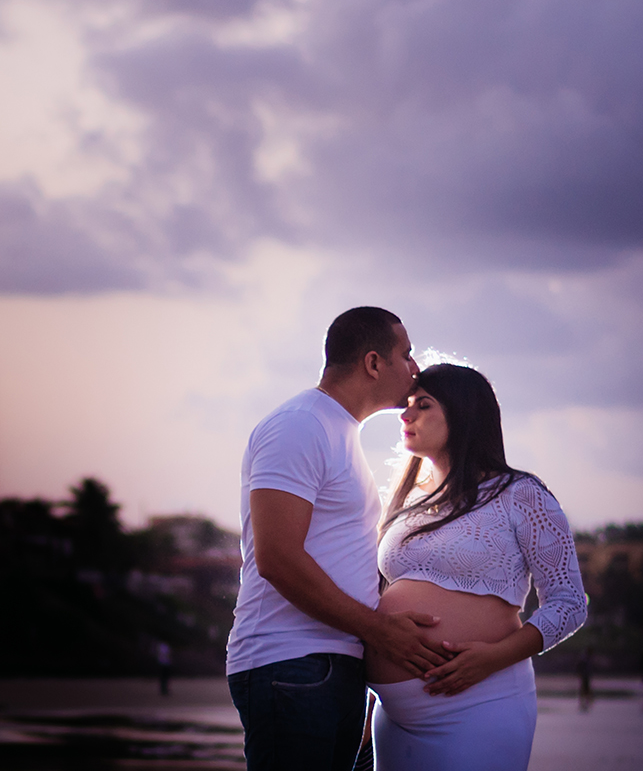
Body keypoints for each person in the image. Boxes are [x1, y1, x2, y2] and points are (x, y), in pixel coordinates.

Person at [226, 307, 448, 771]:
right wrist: (377, 629)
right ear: (373, 363)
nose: (415, 369)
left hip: (332, 665)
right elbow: (277, 558)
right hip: (291, 663)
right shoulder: (299, 425)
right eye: (405, 355)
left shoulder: (340, 432)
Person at [366, 364, 588, 771]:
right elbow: (381, 602)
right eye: (408, 405)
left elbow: (569, 603)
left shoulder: (520, 495)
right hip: (393, 717)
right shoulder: (406, 506)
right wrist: (369, 705)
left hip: (479, 703)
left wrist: (492, 658)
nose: (405, 414)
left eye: (423, 405)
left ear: (463, 413)